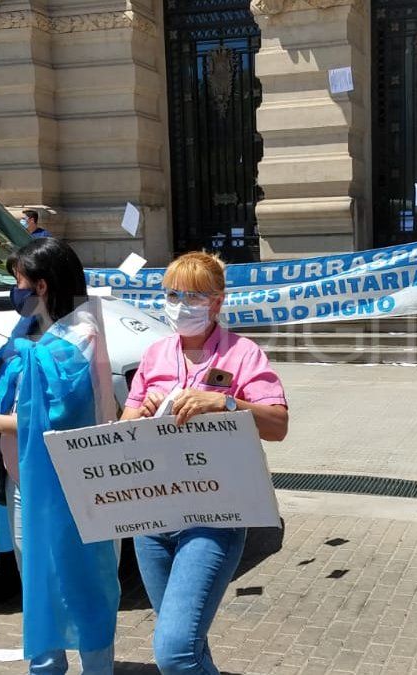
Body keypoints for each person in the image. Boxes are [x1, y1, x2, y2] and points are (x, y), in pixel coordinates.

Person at [0, 237, 119, 675]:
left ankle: (97, 668)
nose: (15, 291)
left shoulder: (81, 338)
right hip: (25, 483)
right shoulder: (24, 333)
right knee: (40, 587)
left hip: (75, 486)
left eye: (18, 282)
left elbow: (59, 420)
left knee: (83, 583)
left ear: (42, 286)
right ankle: (46, 668)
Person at [120, 251, 289, 675]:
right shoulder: (155, 354)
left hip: (215, 514)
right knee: (189, 645)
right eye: (173, 294)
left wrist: (225, 401)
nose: (181, 304)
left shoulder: (243, 354)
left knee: (174, 651)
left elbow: (278, 424)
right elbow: (122, 427)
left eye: (194, 296)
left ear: (217, 302)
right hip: (152, 516)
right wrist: (141, 413)